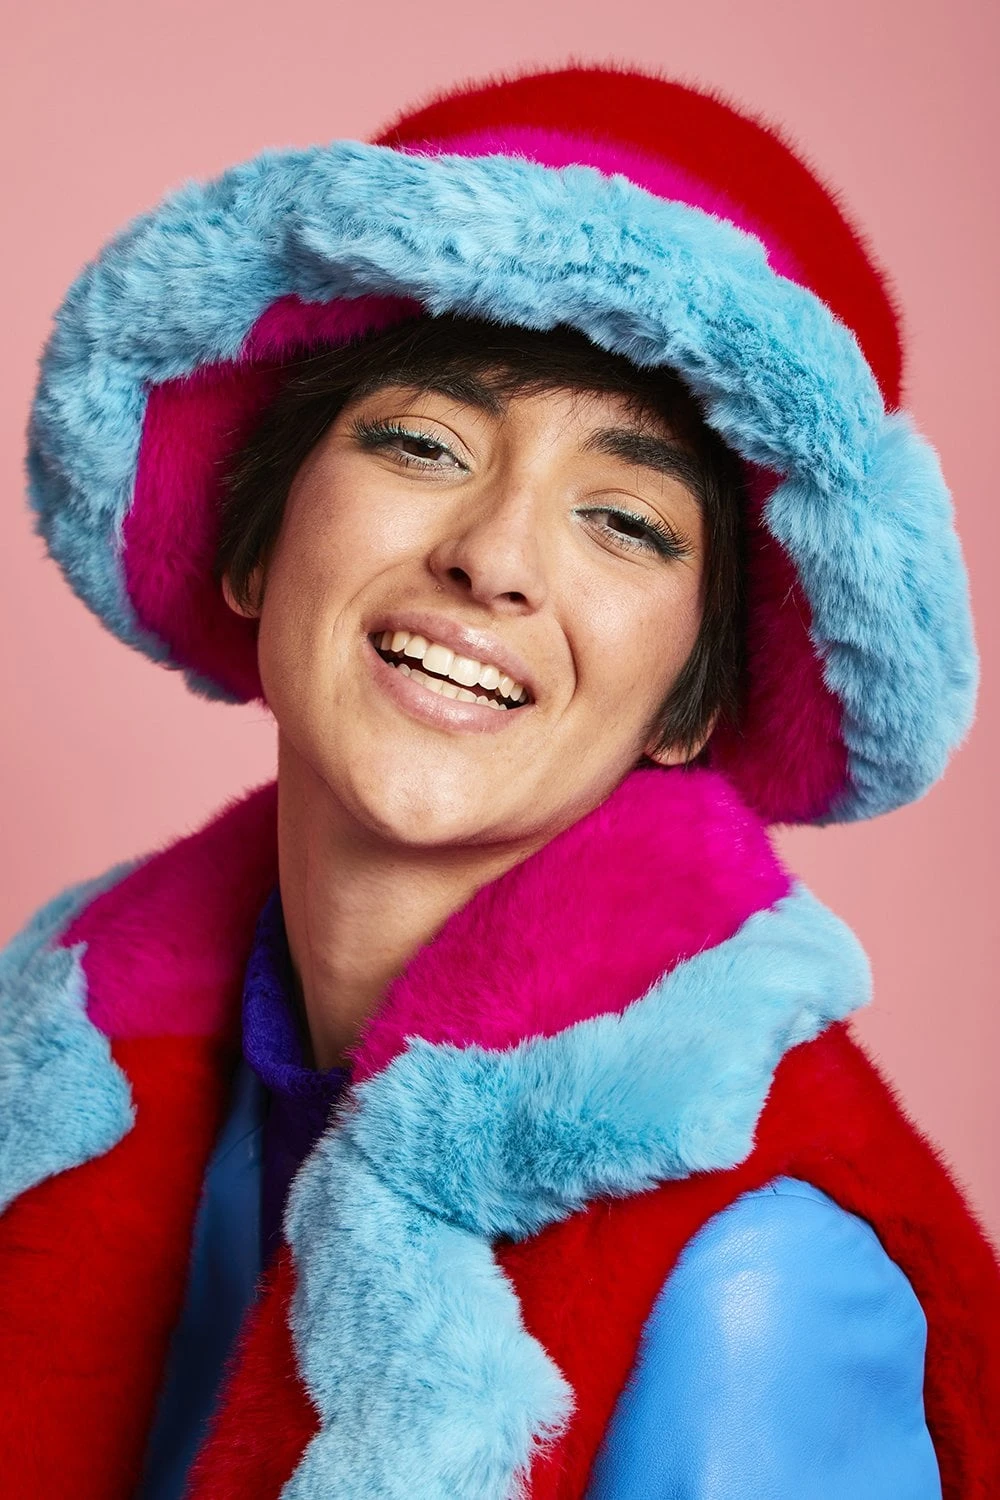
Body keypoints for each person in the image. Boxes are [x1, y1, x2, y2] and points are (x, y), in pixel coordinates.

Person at [1, 62, 997, 1500]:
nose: (495, 559)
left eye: (626, 522)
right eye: (423, 444)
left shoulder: (751, 1284)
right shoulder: (71, 1084)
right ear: (255, 542)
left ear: (690, 699)